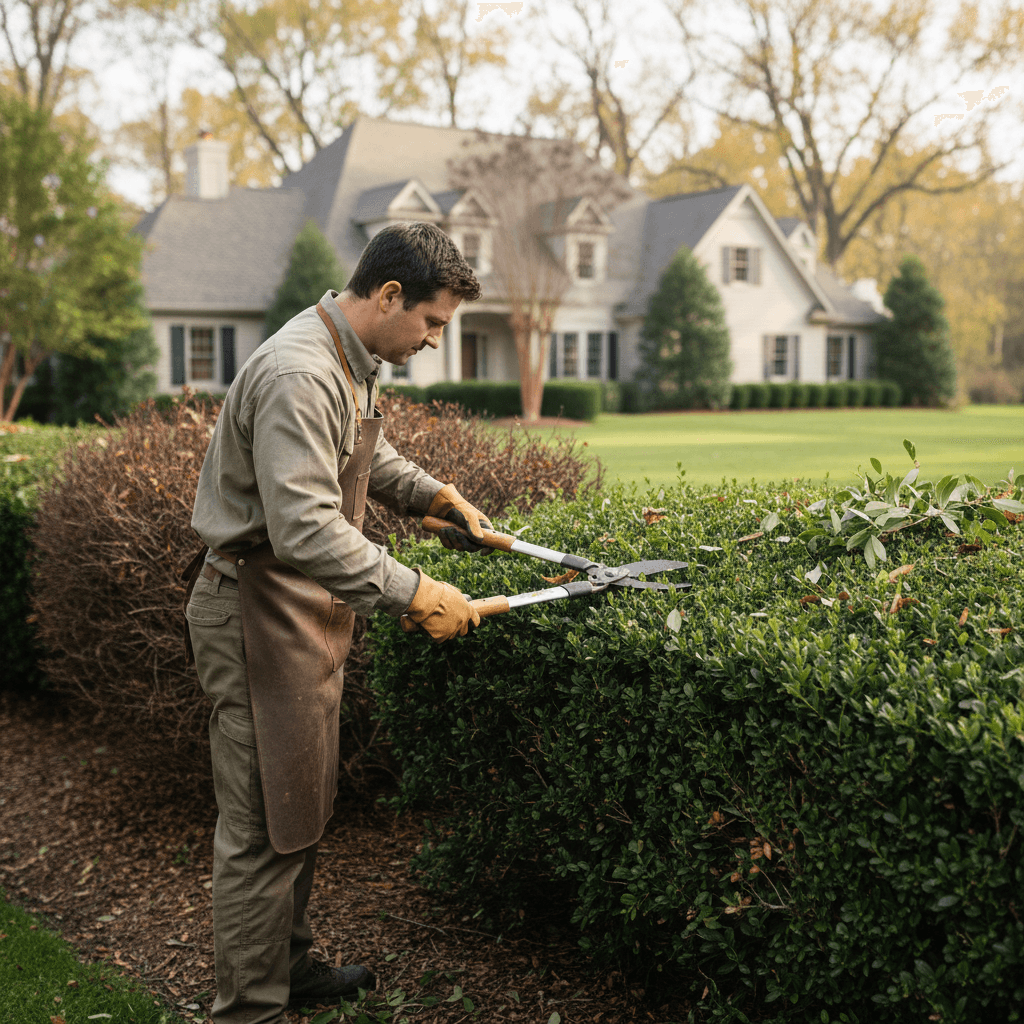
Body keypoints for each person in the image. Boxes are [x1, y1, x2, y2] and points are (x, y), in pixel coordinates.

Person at [180, 222, 491, 1024]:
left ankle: (292, 968)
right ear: (389, 296)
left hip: (296, 611)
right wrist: (417, 591)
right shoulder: (299, 370)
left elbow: (359, 456)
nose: (432, 341)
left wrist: (433, 495)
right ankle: (249, 1008)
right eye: (430, 323)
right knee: (259, 828)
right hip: (253, 612)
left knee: (299, 800)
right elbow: (307, 527)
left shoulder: (350, 358)